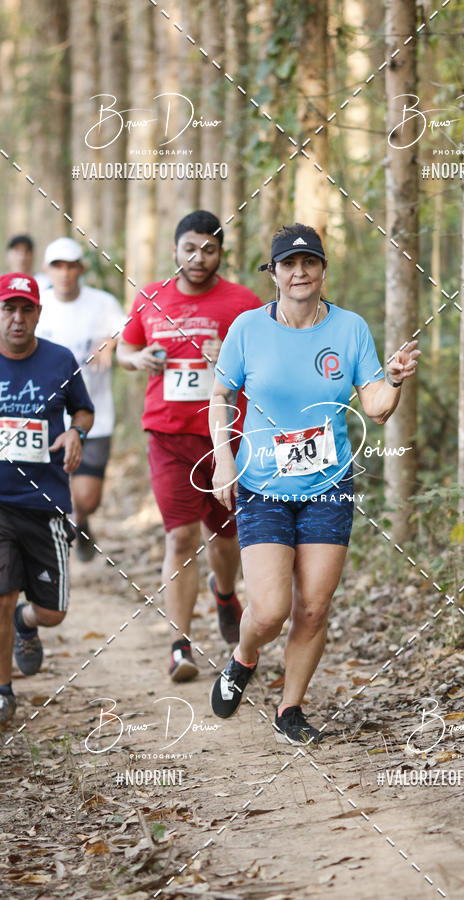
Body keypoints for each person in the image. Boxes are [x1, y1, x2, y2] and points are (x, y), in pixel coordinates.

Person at [208, 223, 420, 745]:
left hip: (328, 485)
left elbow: (376, 406)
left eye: (309, 263)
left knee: (313, 607)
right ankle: (244, 655)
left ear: (324, 270)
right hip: (262, 484)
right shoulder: (247, 329)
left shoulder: (349, 329)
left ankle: (290, 708)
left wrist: (390, 379)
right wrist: (222, 459)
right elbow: (218, 396)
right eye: (289, 264)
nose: (299, 272)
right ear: (274, 273)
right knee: (271, 608)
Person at [117, 210, 262, 683]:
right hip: (167, 435)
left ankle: (225, 593)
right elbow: (124, 349)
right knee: (179, 536)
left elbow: (268, 360)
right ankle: (180, 645)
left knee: (224, 538)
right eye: (190, 249)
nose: (199, 259)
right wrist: (138, 358)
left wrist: (233, 358)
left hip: (226, 436)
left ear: (221, 253)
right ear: (175, 250)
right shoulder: (151, 298)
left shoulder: (243, 303)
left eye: (209, 249)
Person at [0, 272, 94, 727]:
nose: (17, 319)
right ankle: (3, 691)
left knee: (53, 613)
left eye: (26, 309)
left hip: (46, 503)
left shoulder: (60, 360)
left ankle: (27, 621)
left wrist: (76, 431)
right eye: (8, 309)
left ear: (38, 313)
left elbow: (84, 408)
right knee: (0, 595)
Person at [37, 237, 126, 561]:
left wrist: (110, 342)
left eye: (71, 266)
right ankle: (58, 542)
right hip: (46, 417)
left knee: (87, 497)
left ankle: (80, 520)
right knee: (54, 488)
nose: (64, 273)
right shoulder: (38, 307)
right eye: (57, 266)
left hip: (94, 413)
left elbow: (128, 333)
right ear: (47, 270)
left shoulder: (102, 303)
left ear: (81, 269)